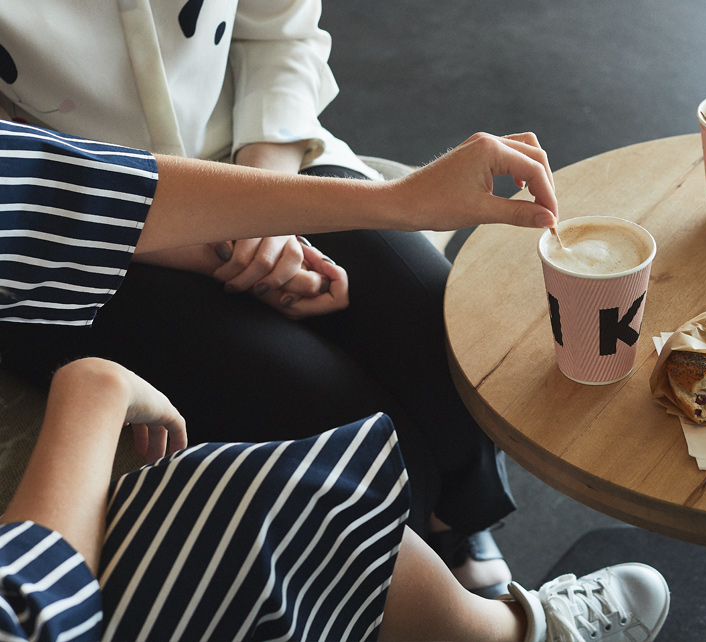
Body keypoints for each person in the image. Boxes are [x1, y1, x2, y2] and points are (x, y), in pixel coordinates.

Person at [0, 119, 671, 641]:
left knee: (425, 315)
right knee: (315, 462)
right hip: (75, 287)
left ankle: (453, 542)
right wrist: (94, 388)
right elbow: (38, 603)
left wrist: (273, 223)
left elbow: (37, 189)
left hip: (152, 200)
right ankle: (510, 627)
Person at [0, 0, 517, 595]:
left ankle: (458, 520)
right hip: (66, 240)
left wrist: (270, 198)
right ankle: (430, 603)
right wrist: (231, 243)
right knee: (333, 417)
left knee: (436, 320)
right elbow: (29, 185)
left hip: (251, 147)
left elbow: (281, 33)